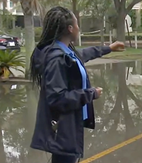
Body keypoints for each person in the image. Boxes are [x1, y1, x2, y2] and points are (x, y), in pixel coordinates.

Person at [29, 6, 125, 163]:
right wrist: (90, 93)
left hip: (71, 123)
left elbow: (84, 54)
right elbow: (57, 98)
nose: (79, 28)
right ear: (70, 28)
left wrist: (109, 48)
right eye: (77, 24)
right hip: (62, 129)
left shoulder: (65, 51)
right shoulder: (56, 58)